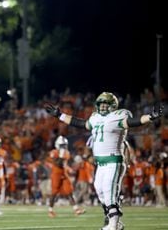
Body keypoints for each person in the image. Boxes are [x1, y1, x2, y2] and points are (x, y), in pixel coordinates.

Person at [45, 92, 163, 230]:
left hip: (114, 160)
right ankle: (114, 221)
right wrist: (60, 115)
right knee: (100, 191)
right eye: (100, 104)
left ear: (113, 106)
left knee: (109, 191)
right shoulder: (95, 118)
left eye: (105, 104)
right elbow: (81, 123)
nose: (102, 107)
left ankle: (113, 225)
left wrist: (150, 117)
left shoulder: (118, 116)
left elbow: (132, 122)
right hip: (100, 163)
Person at [46, 136, 85, 218]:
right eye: (62, 145)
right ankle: (50, 210)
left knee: (69, 192)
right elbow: (57, 164)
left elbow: (67, 163)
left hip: (64, 173)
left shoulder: (66, 153)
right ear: (57, 145)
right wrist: (61, 156)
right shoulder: (54, 152)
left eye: (64, 145)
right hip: (56, 174)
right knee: (54, 193)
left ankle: (76, 209)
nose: (63, 147)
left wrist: (71, 168)